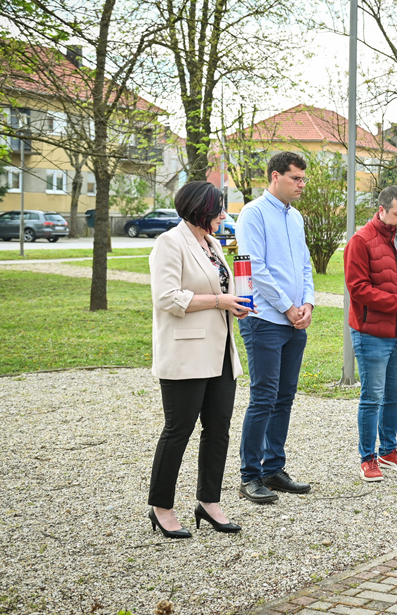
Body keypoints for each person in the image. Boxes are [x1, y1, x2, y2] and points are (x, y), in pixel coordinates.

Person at [147, 181, 249, 538]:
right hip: (186, 353)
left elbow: (220, 289)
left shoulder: (212, 244)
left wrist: (235, 303)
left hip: (221, 353)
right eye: (218, 210)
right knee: (178, 432)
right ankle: (161, 507)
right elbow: (167, 297)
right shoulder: (169, 243)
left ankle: (209, 502)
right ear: (199, 210)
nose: (223, 216)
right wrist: (220, 301)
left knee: (218, 430)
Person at [236, 151, 315, 504]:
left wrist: (307, 303)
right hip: (266, 319)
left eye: (303, 179)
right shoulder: (253, 213)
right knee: (264, 397)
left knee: (284, 397)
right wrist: (287, 307)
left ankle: (273, 468)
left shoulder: (295, 217)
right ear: (275, 176)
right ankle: (250, 475)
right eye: (296, 178)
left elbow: (305, 265)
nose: (301, 184)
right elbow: (254, 267)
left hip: (295, 320)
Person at [345, 185, 397, 482]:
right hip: (371, 333)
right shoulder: (360, 241)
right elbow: (358, 288)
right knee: (372, 397)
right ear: (381, 210)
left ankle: (388, 451)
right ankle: (367, 458)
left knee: (394, 395)